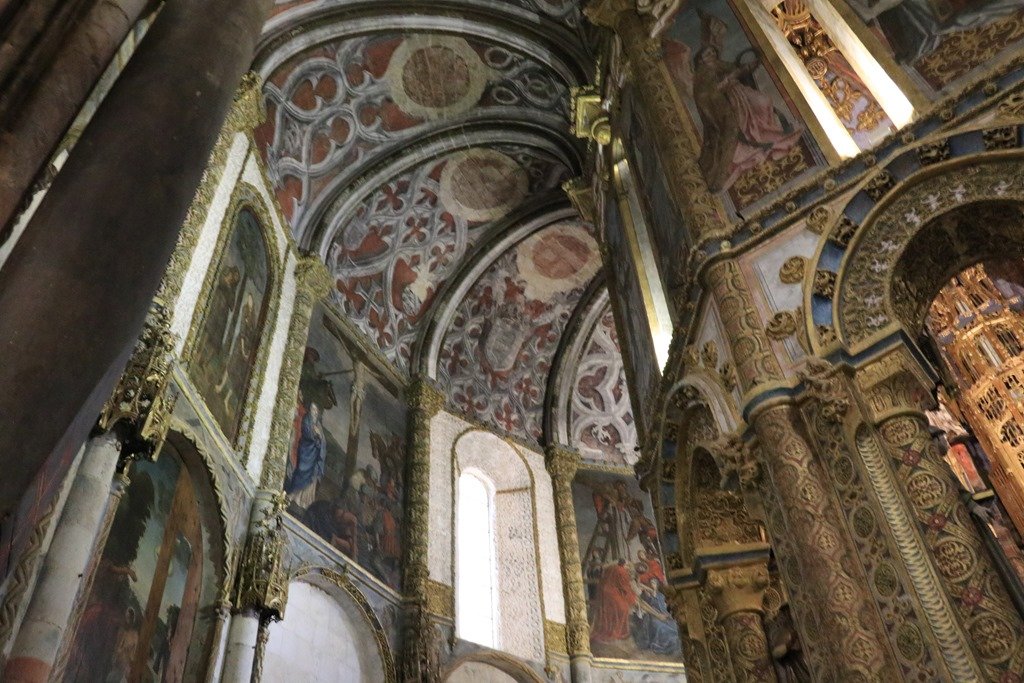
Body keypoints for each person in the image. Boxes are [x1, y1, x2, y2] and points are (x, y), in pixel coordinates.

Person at [691, 11, 802, 193]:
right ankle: (744, 151)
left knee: (764, 101)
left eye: (712, 52)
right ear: (701, 59)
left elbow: (737, 68)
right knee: (735, 125)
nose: (711, 54)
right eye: (707, 53)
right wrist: (731, 78)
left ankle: (767, 133)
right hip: (728, 103)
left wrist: (747, 67)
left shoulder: (718, 64)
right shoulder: (702, 75)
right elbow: (710, 93)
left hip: (739, 94)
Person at [284, 403, 327, 508]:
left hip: (314, 455)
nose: (314, 412)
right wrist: (315, 435)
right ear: (310, 410)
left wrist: (319, 437)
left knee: (312, 476)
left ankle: (303, 501)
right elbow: (306, 433)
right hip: (306, 451)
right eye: (313, 409)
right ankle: (293, 495)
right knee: (301, 473)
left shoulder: (318, 424)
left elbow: (322, 441)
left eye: (316, 410)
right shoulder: (307, 419)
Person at [591, 559, 639, 644]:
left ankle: (610, 630)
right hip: (611, 592)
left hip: (604, 591)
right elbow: (624, 587)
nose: (628, 568)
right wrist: (633, 598)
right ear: (624, 564)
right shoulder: (622, 571)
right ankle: (618, 632)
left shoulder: (612, 567)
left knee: (610, 610)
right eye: (628, 566)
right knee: (623, 609)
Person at [632, 578, 680, 655]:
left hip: (662, 613)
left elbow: (664, 607)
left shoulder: (661, 595)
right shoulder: (647, 595)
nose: (652, 585)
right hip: (651, 615)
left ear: (657, 585)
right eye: (651, 583)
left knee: (673, 625)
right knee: (658, 625)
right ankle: (662, 645)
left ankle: (672, 642)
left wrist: (666, 615)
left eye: (654, 583)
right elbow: (643, 603)